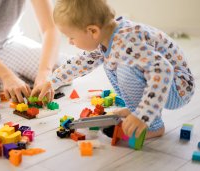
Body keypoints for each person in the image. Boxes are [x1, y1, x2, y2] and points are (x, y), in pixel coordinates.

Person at [31, 0, 195, 139]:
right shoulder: (109, 36)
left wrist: (143, 115)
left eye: (71, 37)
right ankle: (134, 108)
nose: (71, 42)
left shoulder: (127, 42)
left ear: (92, 31)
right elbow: (82, 61)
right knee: (111, 64)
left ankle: (153, 126)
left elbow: (164, 70)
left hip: (177, 88)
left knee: (126, 70)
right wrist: (53, 81)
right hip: (164, 85)